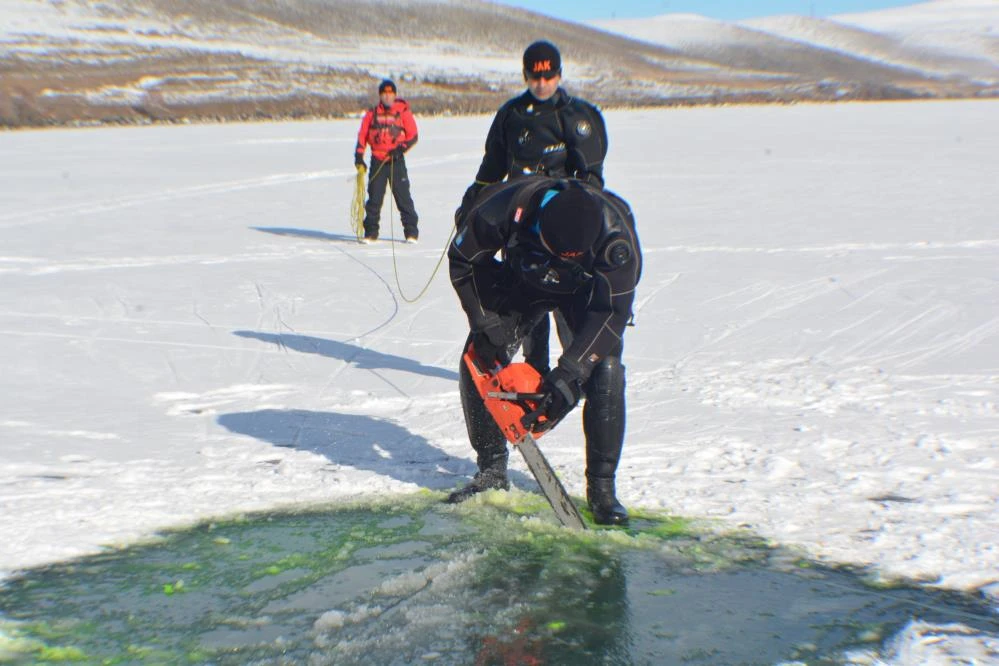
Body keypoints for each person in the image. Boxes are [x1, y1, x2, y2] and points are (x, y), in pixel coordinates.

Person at [446, 176, 641, 525]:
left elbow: (612, 312)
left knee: (606, 369)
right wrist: (482, 319)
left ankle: (602, 489)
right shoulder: (500, 211)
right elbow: (463, 259)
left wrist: (572, 370)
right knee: (477, 359)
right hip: (523, 280)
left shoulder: (617, 240)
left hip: (586, 295)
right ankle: (490, 471)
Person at [456, 40, 609, 376]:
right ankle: (533, 369)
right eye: (535, 76)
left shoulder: (578, 117)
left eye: (549, 76)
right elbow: (490, 170)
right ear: (525, 75)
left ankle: (578, 368)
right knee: (526, 299)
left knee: (570, 300)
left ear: (558, 74)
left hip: (563, 226)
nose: (542, 83)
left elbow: (592, 182)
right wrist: (472, 203)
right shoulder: (510, 115)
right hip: (520, 223)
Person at [354, 79, 419, 243]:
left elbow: (413, 135)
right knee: (374, 198)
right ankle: (370, 233)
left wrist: (400, 149)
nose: (387, 96)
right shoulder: (371, 114)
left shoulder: (403, 112)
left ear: (395, 95)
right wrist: (359, 157)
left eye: (390, 93)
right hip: (378, 160)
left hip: (396, 160)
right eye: (384, 93)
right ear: (380, 95)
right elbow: (362, 136)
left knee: (403, 198)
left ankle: (411, 233)